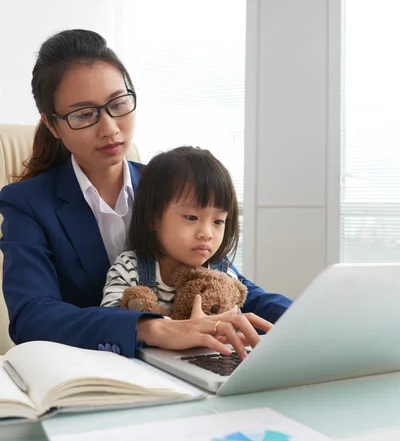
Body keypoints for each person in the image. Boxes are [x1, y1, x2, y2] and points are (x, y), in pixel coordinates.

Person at [0, 28, 291, 359]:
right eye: (84, 114)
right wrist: (152, 328)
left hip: (185, 362)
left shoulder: (167, 185)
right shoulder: (27, 202)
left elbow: (225, 279)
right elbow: (32, 317)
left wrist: (307, 318)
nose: (110, 127)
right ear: (52, 125)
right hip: (90, 371)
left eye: (119, 104)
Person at [101, 146, 292, 359]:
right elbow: (110, 323)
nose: (206, 234)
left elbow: (233, 325)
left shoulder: (222, 272)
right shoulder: (129, 268)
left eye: (218, 221)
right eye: (191, 218)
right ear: (152, 218)